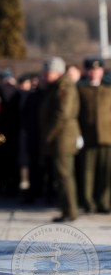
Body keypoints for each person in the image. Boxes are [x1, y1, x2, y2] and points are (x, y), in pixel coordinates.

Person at [40, 57, 81, 222]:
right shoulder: (56, 87)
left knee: (65, 175)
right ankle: (66, 210)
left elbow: (62, 114)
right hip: (59, 138)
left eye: (47, 72)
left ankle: (70, 211)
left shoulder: (65, 87)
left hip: (62, 138)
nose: (44, 75)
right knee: (62, 175)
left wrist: (49, 134)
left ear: (56, 72)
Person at [77, 57, 111, 213]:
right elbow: (76, 113)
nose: (94, 73)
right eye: (91, 70)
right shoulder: (81, 90)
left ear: (102, 71)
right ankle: (88, 202)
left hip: (107, 136)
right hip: (88, 136)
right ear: (86, 71)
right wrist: (78, 134)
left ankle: (104, 202)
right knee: (88, 172)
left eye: (97, 70)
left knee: (106, 171)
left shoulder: (108, 89)